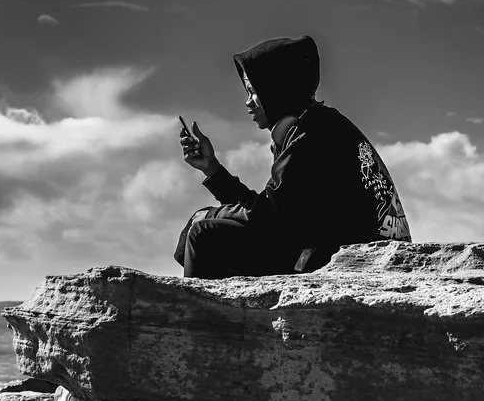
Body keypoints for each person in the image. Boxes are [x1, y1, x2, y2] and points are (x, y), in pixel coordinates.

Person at [175, 34, 411, 279]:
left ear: (276, 88)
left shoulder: (311, 135)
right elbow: (277, 213)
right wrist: (212, 169)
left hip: (356, 268)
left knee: (204, 235)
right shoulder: (316, 124)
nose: (248, 102)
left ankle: (198, 317)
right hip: (337, 253)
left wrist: (209, 213)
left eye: (253, 91)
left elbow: (268, 219)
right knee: (210, 228)